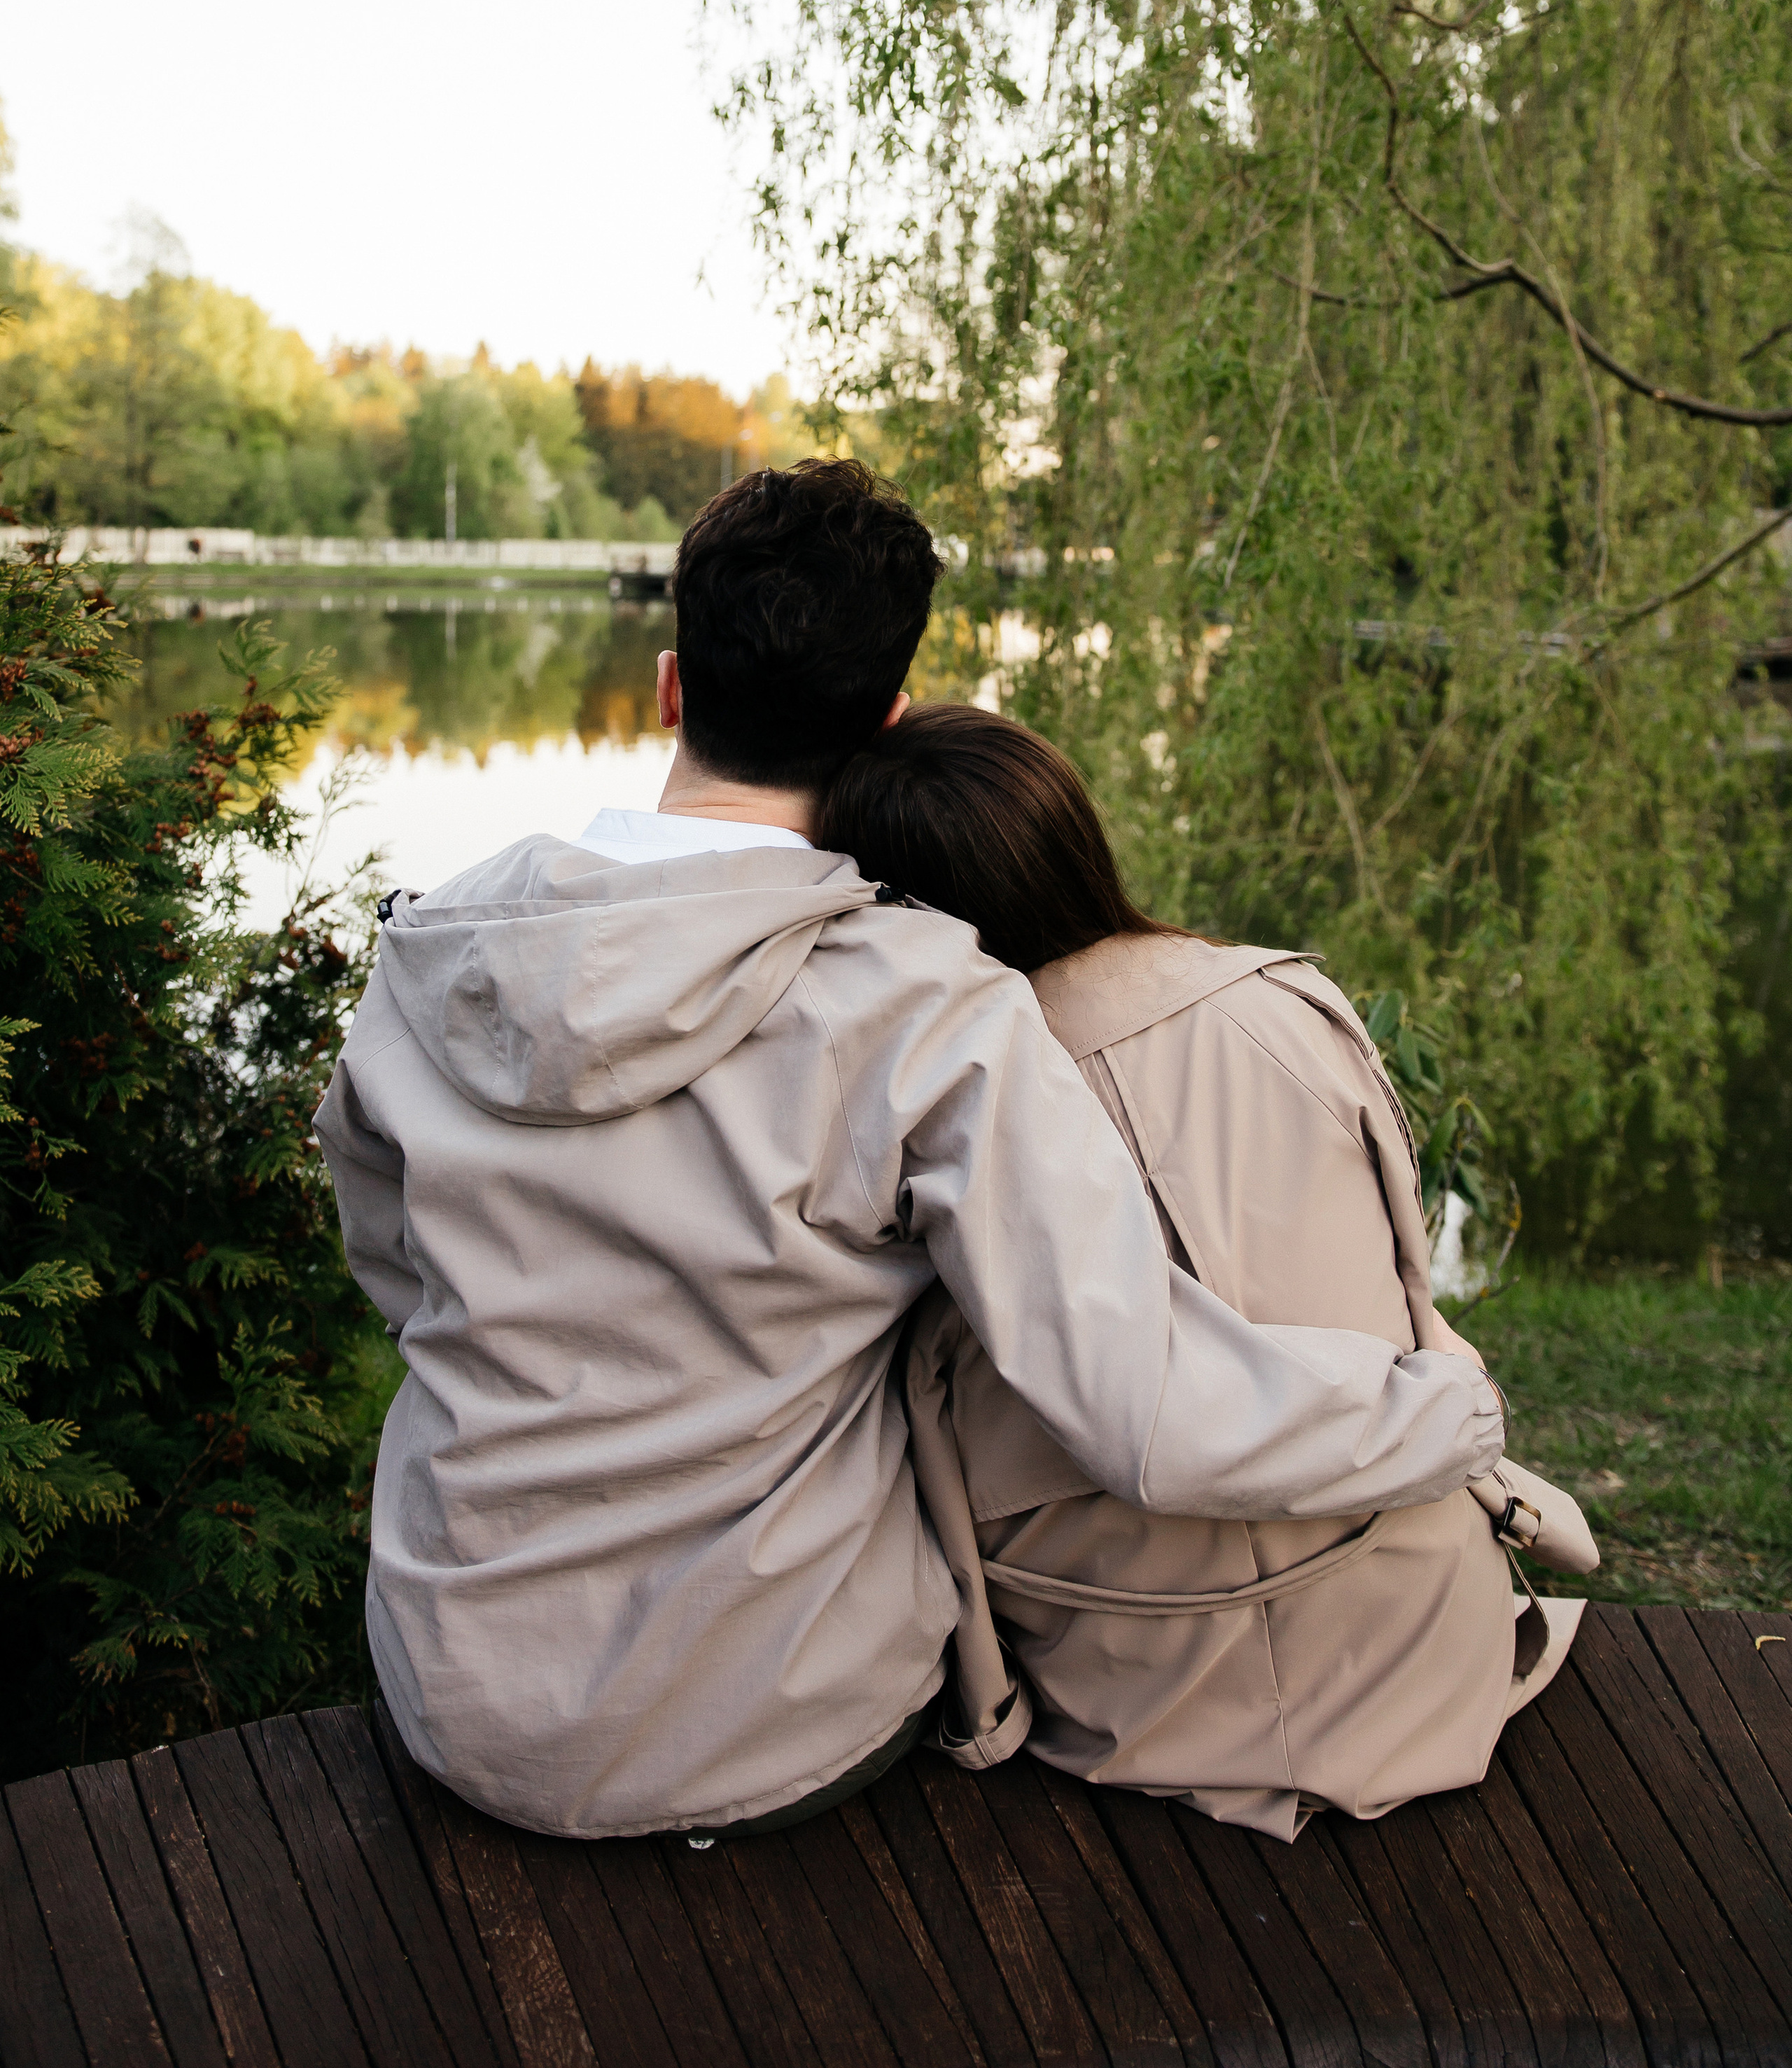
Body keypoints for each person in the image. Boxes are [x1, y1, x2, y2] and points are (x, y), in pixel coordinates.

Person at [316, 463, 1506, 1842]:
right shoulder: (924, 1002)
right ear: (884, 721)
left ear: (666, 688)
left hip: (453, 1697)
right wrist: (1444, 1413)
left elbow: (397, 1272)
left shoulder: (429, 959)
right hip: (772, 1722)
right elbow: (1144, 1407)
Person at [818, 701, 1594, 1840]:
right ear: (1071, 840)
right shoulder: (1288, 1004)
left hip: (1134, 1685)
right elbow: (1412, 1299)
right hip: (1424, 1644)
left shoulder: (929, 1107)